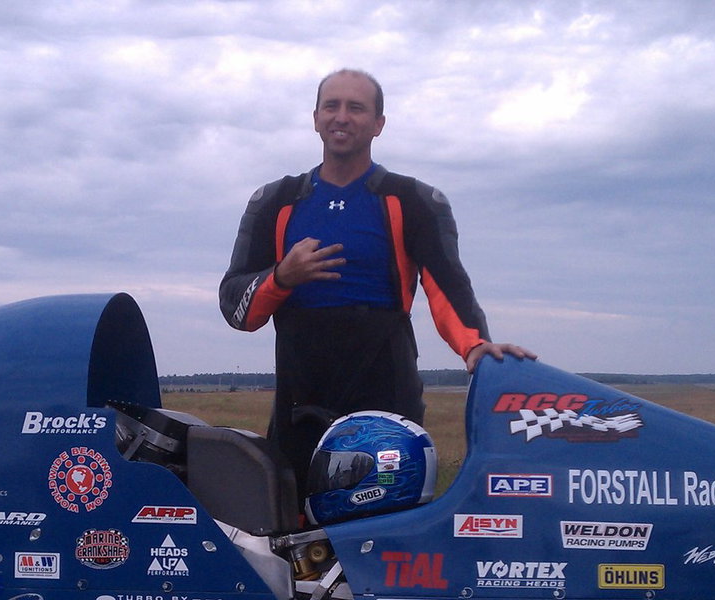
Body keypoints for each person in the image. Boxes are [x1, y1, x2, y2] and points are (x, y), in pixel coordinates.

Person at [219, 68, 534, 493]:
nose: (342, 117)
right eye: (331, 106)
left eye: (356, 108)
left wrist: (474, 344)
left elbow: (446, 287)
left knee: (387, 525)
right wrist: (282, 277)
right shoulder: (275, 201)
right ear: (315, 118)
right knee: (294, 528)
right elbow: (236, 309)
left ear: (378, 124)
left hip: (386, 387)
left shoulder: (414, 200)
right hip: (300, 397)